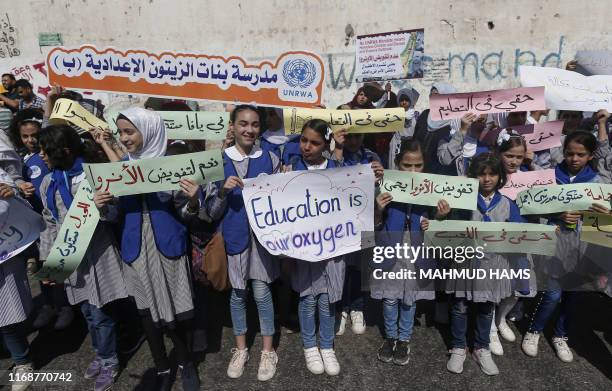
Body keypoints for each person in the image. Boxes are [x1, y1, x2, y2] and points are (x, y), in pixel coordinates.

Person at [94, 107, 201, 391]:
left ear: (149, 131)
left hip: (167, 246)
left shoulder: (171, 163)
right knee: (146, 313)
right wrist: (103, 206)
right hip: (135, 249)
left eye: (130, 131)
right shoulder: (119, 169)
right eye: (121, 132)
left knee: (180, 313)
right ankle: (163, 368)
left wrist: (192, 200)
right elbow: (115, 216)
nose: (124, 138)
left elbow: (186, 214)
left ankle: (185, 363)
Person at [37, 125, 129, 391]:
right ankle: (101, 354)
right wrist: (49, 262)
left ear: (64, 151)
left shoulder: (92, 177)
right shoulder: (48, 182)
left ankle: (110, 360)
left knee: (101, 313)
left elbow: (114, 215)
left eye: (46, 150)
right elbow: (49, 222)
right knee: (87, 312)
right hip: (69, 257)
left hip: (97, 255)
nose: (41, 155)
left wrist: (103, 208)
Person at [202, 105, 280, 381]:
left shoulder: (271, 159)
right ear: (232, 127)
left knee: (261, 293)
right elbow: (208, 213)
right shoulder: (218, 160)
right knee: (238, 295)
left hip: (262, 243)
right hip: (233, 240)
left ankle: (268, 350)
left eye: (255, 124)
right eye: (243, 124)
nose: (249, 130)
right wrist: (222, 192)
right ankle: (241, 348)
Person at [522, 130, 611, 363]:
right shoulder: (549, 177)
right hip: (554, 242)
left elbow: (604, 227)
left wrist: (604, 215)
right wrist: (558, 213)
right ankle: (534, 330)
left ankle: (561, 334)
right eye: (570, 153)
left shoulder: (599, 183)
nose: (574, 159)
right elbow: (531, 206)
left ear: (591, 155)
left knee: (574, 295)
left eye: (580, 154)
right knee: (551, 293)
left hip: (582, 248)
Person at [444, 153, 528, 376]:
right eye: (481, 174)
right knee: (460, 306)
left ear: (500, 177)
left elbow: (521, 235)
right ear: (473, 176)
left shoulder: (509, 205)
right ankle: (459, 347)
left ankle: (482, 347)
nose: (487, 179)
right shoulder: (463, 201)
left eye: (492, 174)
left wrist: (546, 234)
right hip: (465, 262)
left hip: (493, 265)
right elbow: (447, 228)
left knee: (486, 307)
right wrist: (443, 215)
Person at [374, 139, 448, 365]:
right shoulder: (384, 187)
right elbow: (374, 225)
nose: (413, 171)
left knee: (409, 300)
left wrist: (440, 218)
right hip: (390, 251)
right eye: (407, 165)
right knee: (389, 298)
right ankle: (390, 337)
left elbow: (438, 229)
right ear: (397, 164)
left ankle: (404, 339)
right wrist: (378, 209)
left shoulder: (432, 191)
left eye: (418, 166)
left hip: (417, 253)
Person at [284, 119, 345, 376]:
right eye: (303, 140)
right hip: (303, 248)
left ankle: (327, 344)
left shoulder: (339, 170)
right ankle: (310, 345)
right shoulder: (290, 169)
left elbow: (354, 206)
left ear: (326, 145)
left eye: (314, 142)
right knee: (307, 297)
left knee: (328, 298)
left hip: (332, 247)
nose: (307, 146)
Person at [332, 128, 384, 336]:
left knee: (361, 266)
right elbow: (330, 181)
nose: (353, 140)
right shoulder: (335, 155)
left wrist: (380, 178)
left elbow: (380, 188)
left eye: (358, 136)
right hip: (340, 221)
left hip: (365, 219)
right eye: (349, 136)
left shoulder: (372, 156)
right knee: (341, 266)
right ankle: (341, 309)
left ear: (364, 135)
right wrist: (337, 150)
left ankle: (357, 307)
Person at [0, 168, 45, 391]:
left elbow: (19, 201)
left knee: (6, 313)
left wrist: (12, 193)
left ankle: (22, 361)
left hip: (4, 251)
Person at [387, 88, 420, 169]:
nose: (404, 102)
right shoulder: (394, 115)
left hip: (411, 147)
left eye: (406, 100)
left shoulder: (416, 115)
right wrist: (387, 93)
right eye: (402, 100)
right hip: (397, 146)